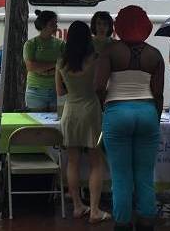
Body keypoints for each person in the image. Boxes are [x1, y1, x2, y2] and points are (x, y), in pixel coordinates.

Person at [94, 5, 164, 231]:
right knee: (145, 174)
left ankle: (122, 223)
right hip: (147, 112)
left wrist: (107, 104)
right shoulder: (155, 54)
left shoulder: (110, 52)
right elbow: (159, 92)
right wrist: (155, 114)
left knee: (121, 175)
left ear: (119, 26)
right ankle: (146, 222)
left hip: (117, 111)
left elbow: (98, 86)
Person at [55, 21, 110, 223]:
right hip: (91, 110)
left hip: (70, 112)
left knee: (73, 162)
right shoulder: (94, 59)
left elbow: (60, 92)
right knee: (96, 162)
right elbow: (100, 86)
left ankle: (78, 206)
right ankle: (95, 210)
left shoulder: (61, 61)